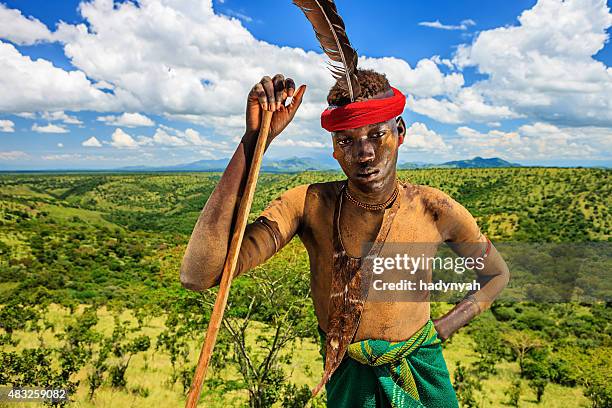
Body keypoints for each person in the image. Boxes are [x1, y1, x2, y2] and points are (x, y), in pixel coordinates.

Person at [180, 70, 510, 407]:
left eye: (376, 134)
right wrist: (254, 141)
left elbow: (497, 274)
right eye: (346, 140)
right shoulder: (308, 206)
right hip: (350, 384)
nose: (364, 153)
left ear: (400, 132)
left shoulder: (434, 208)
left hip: (421, 374)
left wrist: (442, 328)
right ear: (334, 149)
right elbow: (198, 275)